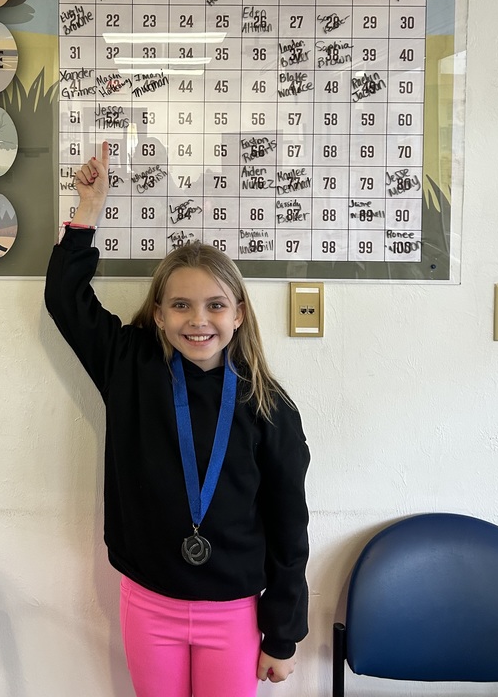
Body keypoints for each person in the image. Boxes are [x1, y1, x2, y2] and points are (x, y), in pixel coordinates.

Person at [45, 142, 310, 697]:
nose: (199, 320)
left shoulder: (269, 408)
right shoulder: (130, 366)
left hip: (233, 612)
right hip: (150, 603)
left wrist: (282, 636)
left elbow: (289, 530)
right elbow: (67, 300)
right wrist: (87, 209)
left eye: (215, 305)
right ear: (160, 315)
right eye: (181, 306)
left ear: (238, 314)